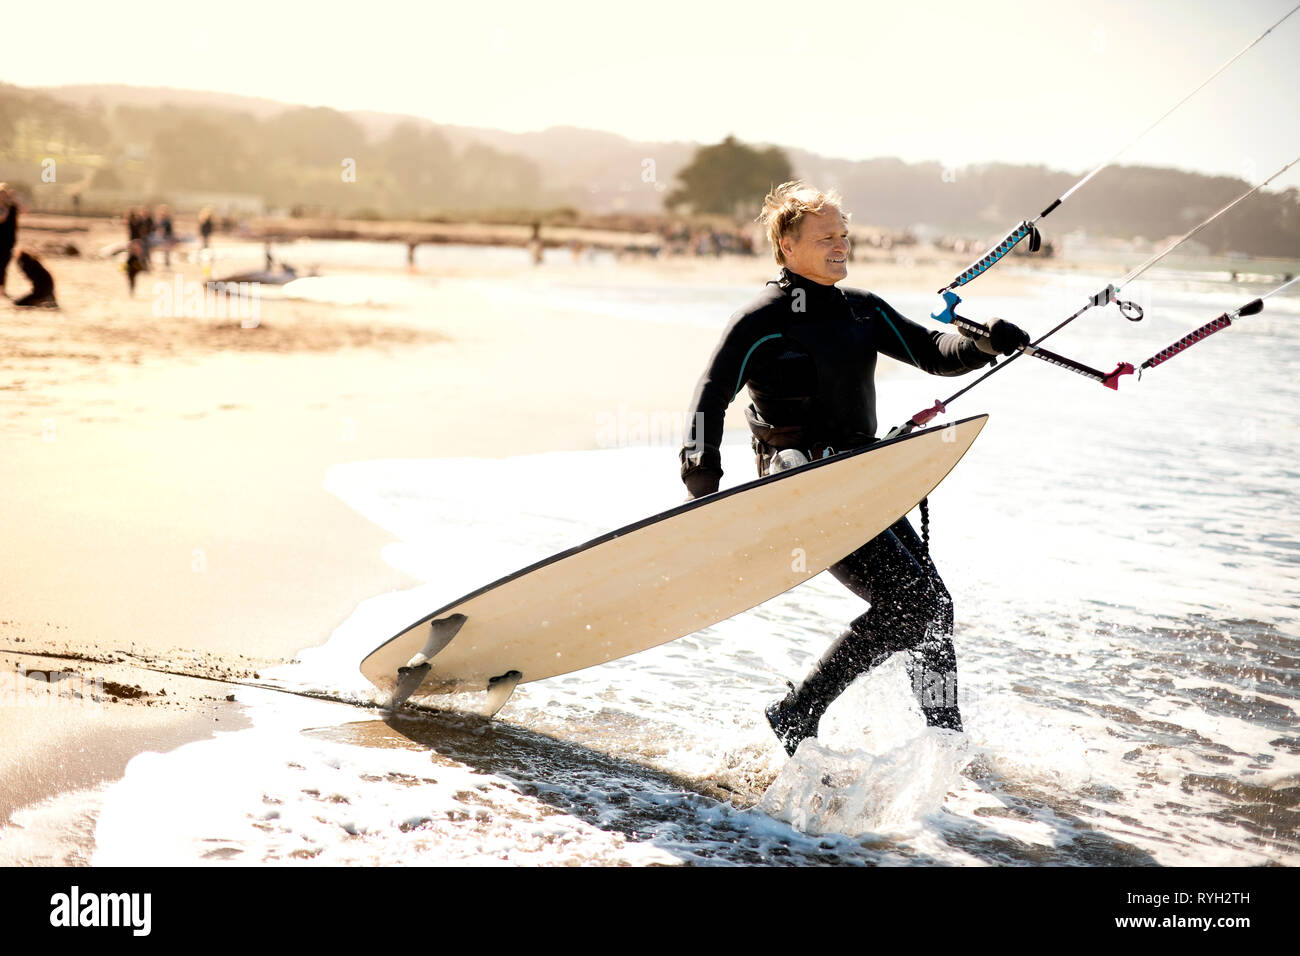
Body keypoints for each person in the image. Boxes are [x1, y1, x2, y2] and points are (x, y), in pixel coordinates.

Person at [678, 181, 1029, 755]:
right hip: (800, 483)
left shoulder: (861, 311)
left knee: (932, 609)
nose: (841, 246)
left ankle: (942, 735)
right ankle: (802, 711)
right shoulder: (762, 319)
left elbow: (932, 352)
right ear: (786, 245)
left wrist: (984, 344)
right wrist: (702, 483)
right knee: (914, 605)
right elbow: (709, 397)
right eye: (826, 238)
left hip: (862, 477)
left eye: (844, 235)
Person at [0, 184, 18, 296]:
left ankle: (2, 288)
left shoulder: (12, 208)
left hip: (8, 241)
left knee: (3, 265)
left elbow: (25, 209)